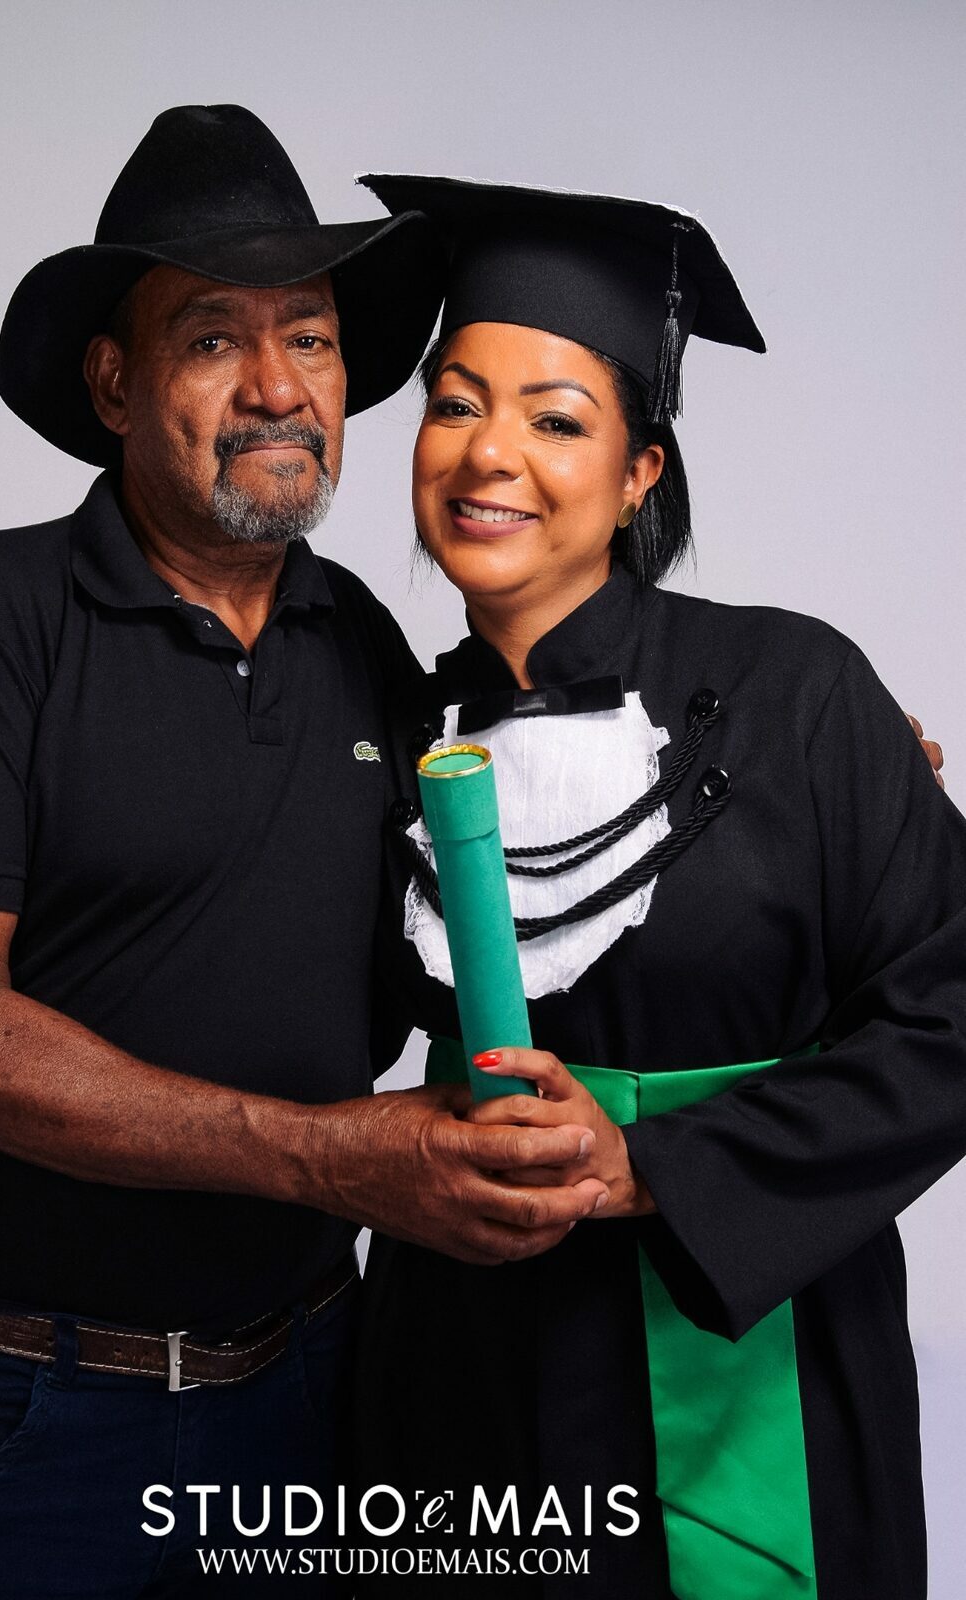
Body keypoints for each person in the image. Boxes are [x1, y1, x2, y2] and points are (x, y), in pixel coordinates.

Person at [0, 111, 608, 1600]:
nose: (276, 386)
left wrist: (801, 764)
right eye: (212, 340)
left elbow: (523, 866)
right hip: (27, 1415)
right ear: (115, 384)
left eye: (308, 338)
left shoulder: (368, 648)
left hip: (310, 1392)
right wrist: (323, 1154)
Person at [352, 173, 966, 1600]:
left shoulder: (796, 690)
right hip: (457, 1374)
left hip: (748, 1364)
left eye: (557, 420)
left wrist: (647, 1167)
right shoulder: (385, 729)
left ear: (641, 473)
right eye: (456, 404)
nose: (489, 453)